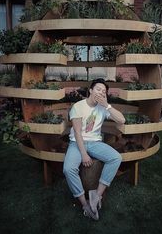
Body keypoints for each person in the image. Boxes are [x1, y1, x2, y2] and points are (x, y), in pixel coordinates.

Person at [63, 78, 125, 220]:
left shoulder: (103, 107)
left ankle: (96, 195)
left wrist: (107, 105)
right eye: (98, 89)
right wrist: (84, 154)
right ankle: (85, 204)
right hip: (77, 143)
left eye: (104, 91)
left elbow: (122, 120)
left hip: (95, 143)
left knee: (116, 158)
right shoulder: (78, 106)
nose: (101, 92)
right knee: (68, 169)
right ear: (90, 90)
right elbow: (77, 133)